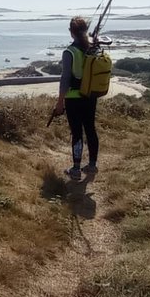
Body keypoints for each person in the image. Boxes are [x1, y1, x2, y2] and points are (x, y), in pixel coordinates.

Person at [53, 16, 99, 180]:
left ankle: (76, 168)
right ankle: (92, 165)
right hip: (90, 95)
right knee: (90, 129)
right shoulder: (92, 48)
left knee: (77, 133)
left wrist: (59, 102)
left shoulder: (69, 52)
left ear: (71, 32)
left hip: (73, 98)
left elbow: (65, 79)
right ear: (85, 30)